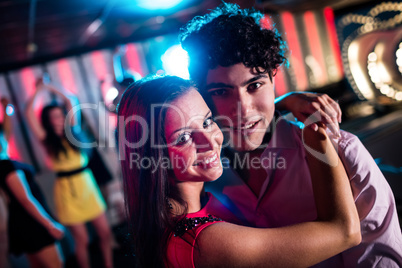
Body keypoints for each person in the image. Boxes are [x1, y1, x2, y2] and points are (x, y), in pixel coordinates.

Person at [179, 3, 402, 267]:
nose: (242, 109)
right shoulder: (201, 176)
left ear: (274, 76)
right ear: (201, 95)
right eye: (220, 91)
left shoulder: (342, 151)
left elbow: (380, 260)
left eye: (254, 85)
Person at [117, 75, 361, 267]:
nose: (210, 141)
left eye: (207, 121)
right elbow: (345, 232)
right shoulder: (207, 242)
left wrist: (281, 103)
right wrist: (314, 133)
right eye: (183, 137)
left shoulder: (173, 221)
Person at [25, 78, 113, 268]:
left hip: (87, 185)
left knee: (105, 233)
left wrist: (48, 86)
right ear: (47, 122)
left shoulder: (73, 132)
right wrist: (38, 90)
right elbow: (28, 113)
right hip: (66, 191)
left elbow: (70, 100)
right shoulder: (46, 140)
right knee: (82, 241)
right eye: (52, 118)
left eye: (59, 116)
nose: (57, 120)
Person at [0, 97, 64, 268]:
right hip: (31, 222)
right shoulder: (6, 165)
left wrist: (6, 108)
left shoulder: (3, 164)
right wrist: (49, 225)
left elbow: (6, 129)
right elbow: (25, 199)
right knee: (56, 264)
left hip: (20, 222)